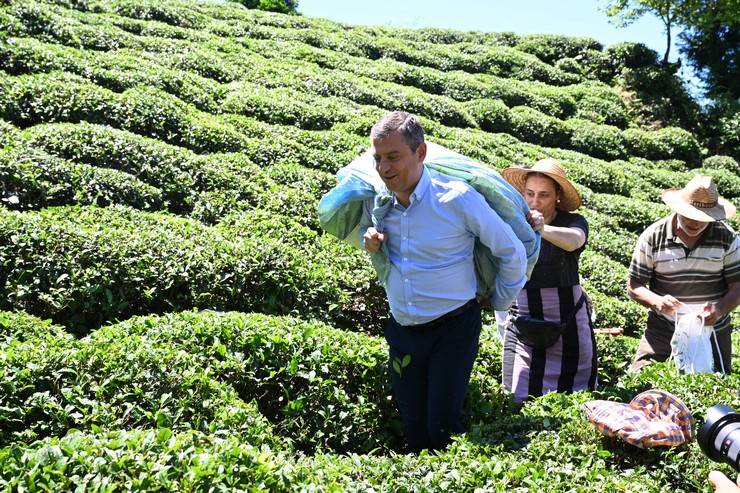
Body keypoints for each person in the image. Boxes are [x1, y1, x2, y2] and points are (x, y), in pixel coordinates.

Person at [360, 111, 528, 452]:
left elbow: (511, 251)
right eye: (378, 159)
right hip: (403, 330)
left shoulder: (456, 198)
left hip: (452, 330)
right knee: (412, 425)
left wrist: (498, 301)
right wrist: (373, 246)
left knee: (441, 429)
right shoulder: (380, 204)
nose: (384, 168)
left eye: (393, 157)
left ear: (420, 153)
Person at [500, 159, 598, 403]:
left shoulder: (572, 222)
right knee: (517, 394)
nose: (535, 202)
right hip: (523, 322)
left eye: (543, 195)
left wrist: (543, 230)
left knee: (576, 395)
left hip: (568, 324)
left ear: (557, 196)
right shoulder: (512, 221)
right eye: (530, 194)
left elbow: (575, 240)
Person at [627, 175, 740, 373]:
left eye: (702, 218)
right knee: (641, 381)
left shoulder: (727, 238)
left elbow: (737, 285)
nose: (695, 223)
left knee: (711, 389)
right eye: (690, 215)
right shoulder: (653, 236)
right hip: (662, 331)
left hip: (711, 333)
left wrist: (719, 310)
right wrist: (657, 302)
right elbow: (634, 284)